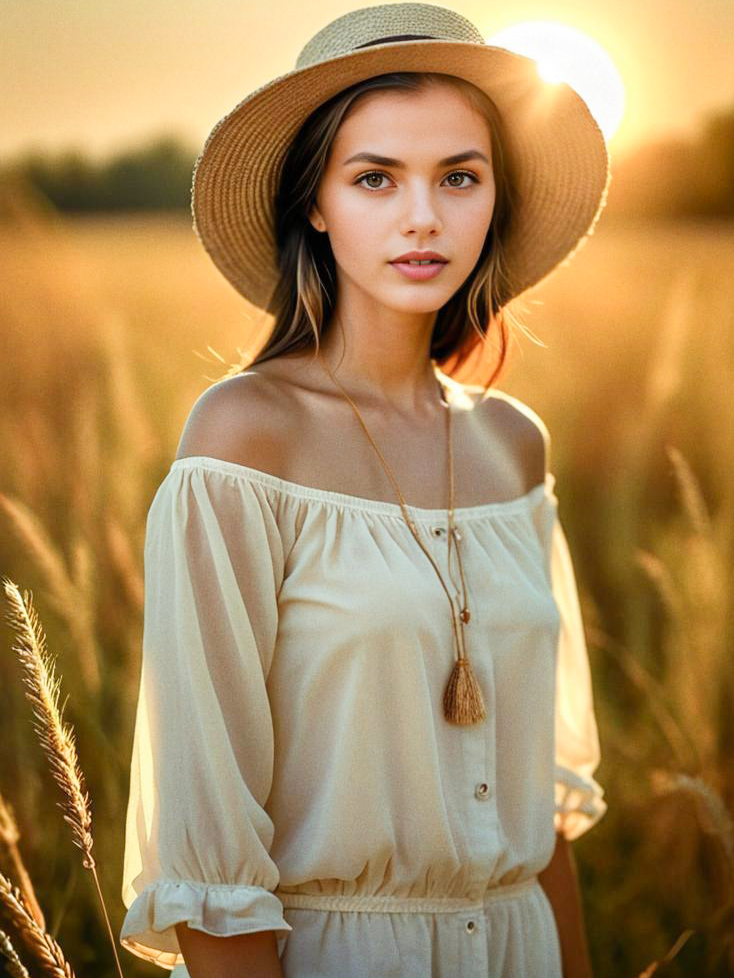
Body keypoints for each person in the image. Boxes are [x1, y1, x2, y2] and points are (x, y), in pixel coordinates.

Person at [119, 4, 610, 977]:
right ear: (314, 202)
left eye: (458, 177)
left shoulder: (513, 447)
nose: (421, 216)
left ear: (493, 201)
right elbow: (207, 840)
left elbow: (538, 822)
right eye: (374, 178)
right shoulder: (243, 439)